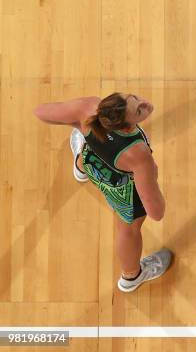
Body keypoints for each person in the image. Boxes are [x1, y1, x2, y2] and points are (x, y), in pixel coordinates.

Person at [34, 93, 172, 292]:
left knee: (89, 146)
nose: (144, 103)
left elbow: (40, 112)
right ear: (125, 127)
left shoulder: (89, 108)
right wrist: (152, 178)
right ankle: (132, 276)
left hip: (93, 165)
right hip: (122, 190)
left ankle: (80, 169)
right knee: (128, 230)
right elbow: (156, 213)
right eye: (139, 110)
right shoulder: (138, 155)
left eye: (135, 97)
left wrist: (76, 123)